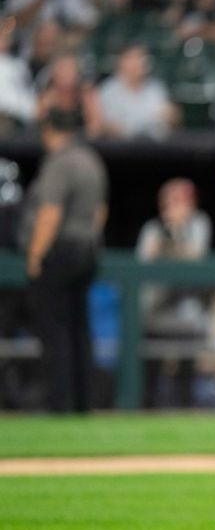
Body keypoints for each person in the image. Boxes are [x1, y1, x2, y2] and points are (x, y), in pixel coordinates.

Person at [19, 108, 108, 412]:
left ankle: (59, 403)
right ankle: (84, 402)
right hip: (87, 249)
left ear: (50, 130)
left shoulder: (60, 163)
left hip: (61, 251)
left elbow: (50, 213)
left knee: (54, 330)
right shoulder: (91, 160)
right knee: (79, 329)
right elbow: (100, 213)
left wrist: (35, 254)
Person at [136, 177, 211, 407]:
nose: (177, 205)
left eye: (183, 200)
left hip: (186, 314)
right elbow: (143, 260)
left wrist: (176, 235)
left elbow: (196, 256)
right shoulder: (153, 227)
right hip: (156, 311)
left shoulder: (199, 223)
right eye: (172, 200)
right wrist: (166, 234)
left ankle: (187, 414)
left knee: (185, 378)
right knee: (150, 374)